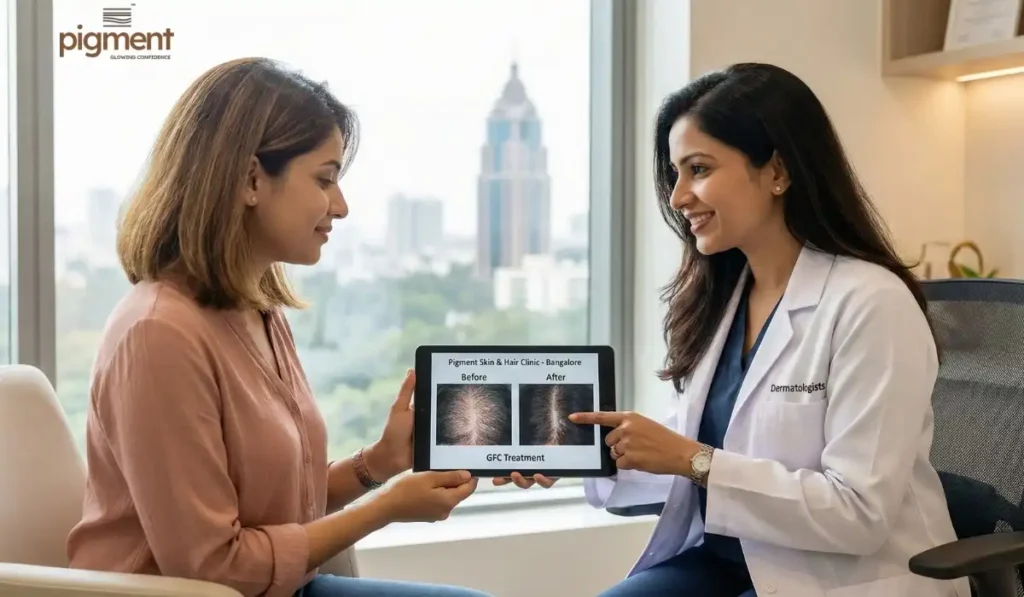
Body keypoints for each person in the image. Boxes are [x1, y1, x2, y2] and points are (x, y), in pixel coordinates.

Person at [497, 63, 971, 597]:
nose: (678, 197)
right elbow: (702, 456)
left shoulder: (871, 304)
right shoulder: (724, 300)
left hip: (844, 579)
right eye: (676, 174)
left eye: (698, 169)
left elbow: (858, 513)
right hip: (730, 561)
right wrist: (583, 455)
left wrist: (691, 459)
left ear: (777, 172)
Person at [65, 57, 491, 597]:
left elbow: (277, 508)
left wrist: (380, 465)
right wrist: (386, 509)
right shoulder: (157, 335)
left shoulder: (255, 308)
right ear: (250, 179)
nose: (340, 206)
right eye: (325, 179)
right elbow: (213, 565)